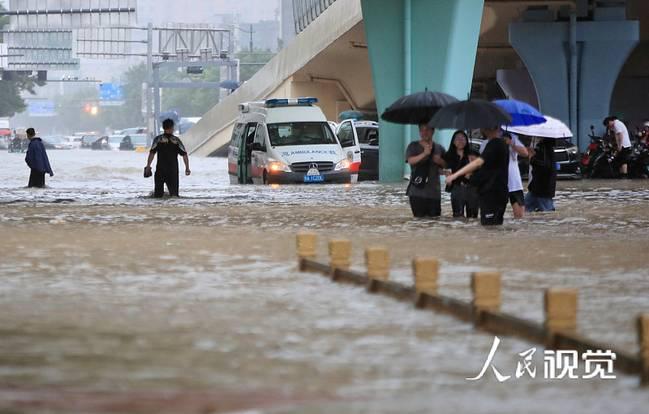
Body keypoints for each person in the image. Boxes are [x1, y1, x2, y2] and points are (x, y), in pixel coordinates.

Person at [445, 127, 509, 226]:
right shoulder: (497, 144)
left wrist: (455, 175)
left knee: (490, 228)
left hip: (492, 193)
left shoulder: (495, 144)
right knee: (492, 227)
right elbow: (487, 168)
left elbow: (479, 163)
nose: (480, 129)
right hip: (492, 192)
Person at [405, 123, 446, 218]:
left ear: (433, 131)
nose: (424, 132)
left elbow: (446, 165)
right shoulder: (413, 146)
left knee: (435, 221)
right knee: (419, 222)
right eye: (421, 130)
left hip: (434, 192)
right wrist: (424, 154)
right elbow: (410, 161)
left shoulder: (439, 148)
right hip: (417, 191)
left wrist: (440, 161)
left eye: (427, 129)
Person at [145, 119, 191, 198]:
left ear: (163, 128)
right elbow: (184, 154)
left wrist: (148, 166)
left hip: (160, 170)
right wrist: (187, 168)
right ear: (172, 128)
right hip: (172, 171)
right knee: (174, 196)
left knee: (158, 196)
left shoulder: (158, 139)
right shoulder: (176, 141)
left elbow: (152, 153)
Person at [443, 130, 478, 218]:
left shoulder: (473, 154)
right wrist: (447, 176)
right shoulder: (448, 156)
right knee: (458, 217)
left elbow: (481, 169)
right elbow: (447, 172)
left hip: (472, 189)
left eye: (463, 139)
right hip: (457, 189)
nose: (460, 141)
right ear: (453, 141)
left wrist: (473, 166)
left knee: (473, 218)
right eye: (458, 139)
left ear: (466, 141)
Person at [524, 138, 556, 212]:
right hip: (536, 188)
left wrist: (531, 158)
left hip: (542, 188)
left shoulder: (544, 148)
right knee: (523, 209)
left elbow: (544, 165)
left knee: (548, 212)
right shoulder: (544, 147)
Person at [502, 132, 528, 219]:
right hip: (497, 183)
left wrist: (511, 143)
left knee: (519, 216)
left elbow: (525, 153)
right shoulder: (487, 141)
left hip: (514, 183)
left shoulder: (512, 137)